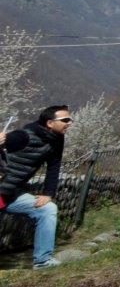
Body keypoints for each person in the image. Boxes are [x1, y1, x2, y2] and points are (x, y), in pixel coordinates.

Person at [0, 104, 71, 269]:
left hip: (10, 194)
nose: (69, 123)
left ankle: (43, 261)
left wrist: (48, 193)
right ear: (49, 123)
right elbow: (10, 139)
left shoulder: (56, 139)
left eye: (70, 119)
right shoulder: (24, 136)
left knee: (48, 209)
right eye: (65, 120)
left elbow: (54, 167)